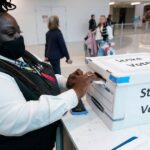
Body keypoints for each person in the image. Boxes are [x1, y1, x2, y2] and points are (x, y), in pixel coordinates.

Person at [0, 1, 98, 150]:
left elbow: (41, 75)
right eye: (11, 34)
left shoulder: (22, 55)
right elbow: (16, 118)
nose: (18, 38)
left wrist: (66, 83)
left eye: (20, 32)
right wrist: (74, 94)